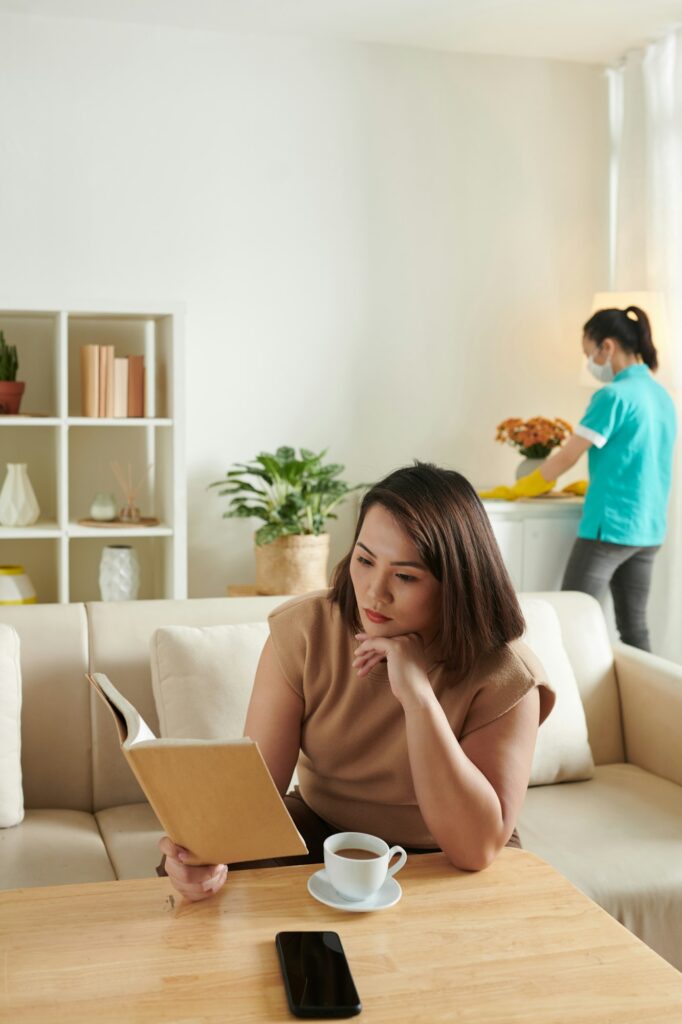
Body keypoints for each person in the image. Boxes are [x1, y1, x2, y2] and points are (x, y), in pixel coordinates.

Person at [159, 463, 555, 901]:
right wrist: (205, 857)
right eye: (365, 560)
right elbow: (257, 795)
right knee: (187, 863)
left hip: (446, 854)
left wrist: (419, 697)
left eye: (405, 576)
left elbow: (474, 849)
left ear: (457, 583)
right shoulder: (305, 631)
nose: (373, 593)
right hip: (321, 834)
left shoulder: (507, 675)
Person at [481, 306, 677, 651]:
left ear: (608, 347)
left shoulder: (613, 396)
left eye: (589, 353)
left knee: (567, 621)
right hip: (648, 530)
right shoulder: (662, 396)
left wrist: (518, 490)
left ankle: (566, 702)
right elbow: (637, 459)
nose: (590, 362)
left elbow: (567, 457)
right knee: (634, 629)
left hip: (609, 527)